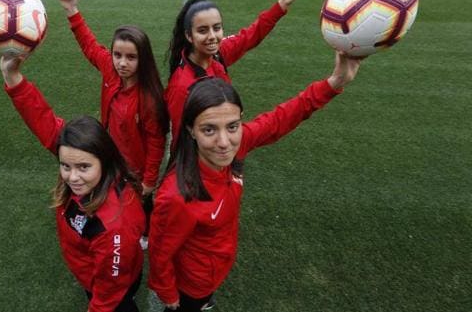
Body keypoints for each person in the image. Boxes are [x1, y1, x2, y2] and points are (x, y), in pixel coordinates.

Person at [148, 51, 362, 311]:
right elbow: (160, 254)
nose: (224, 142)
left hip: (215, 268)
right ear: (191, 130)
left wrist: (334, 83)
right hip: (192, 285)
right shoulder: (177, 195)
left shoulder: (238, 145)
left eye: (232, 126)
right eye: (209, 130)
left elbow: (281, 118)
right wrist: (169, 295)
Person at [0, 55, 146, 312]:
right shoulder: (78, 155)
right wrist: (12, 77)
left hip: (114, 289)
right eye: (65, 166)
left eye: (83, 168)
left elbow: (108, 296)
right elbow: (42, 119)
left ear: (104, 159)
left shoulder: (113, 227)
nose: (72, 177)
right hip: (91, 272)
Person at [165, 0, 312, 148]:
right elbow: (181, 140)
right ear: (189, 36)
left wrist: (282, 4)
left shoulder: (217, 54)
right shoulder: (181, 86)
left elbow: (249, 36)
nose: (212, 36)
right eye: (203, 30)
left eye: (217, 28)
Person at [56, 0, 169, 197]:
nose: (122, 63)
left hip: (135, 171)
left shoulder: (149, 99)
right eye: (117, 55)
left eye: (131, 57)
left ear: (143, 59)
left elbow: (156, 143)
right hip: (110, 158)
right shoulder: (111, 70)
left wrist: (149, 181)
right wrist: (71, 9)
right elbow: (90, 45)